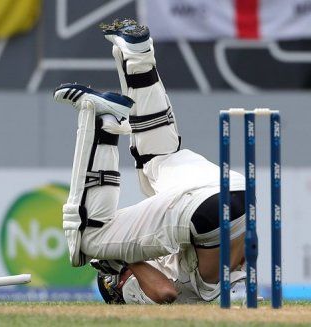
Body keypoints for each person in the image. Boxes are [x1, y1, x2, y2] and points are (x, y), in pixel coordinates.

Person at [53, 19, 247, 304]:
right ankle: (100, 116)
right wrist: (117, 260)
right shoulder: (152, 289)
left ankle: (138, 58)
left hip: (235, 198)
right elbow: (165, 293)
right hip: (211, 206)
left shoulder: (174, 262)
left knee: (155, 160)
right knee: (87, 241)